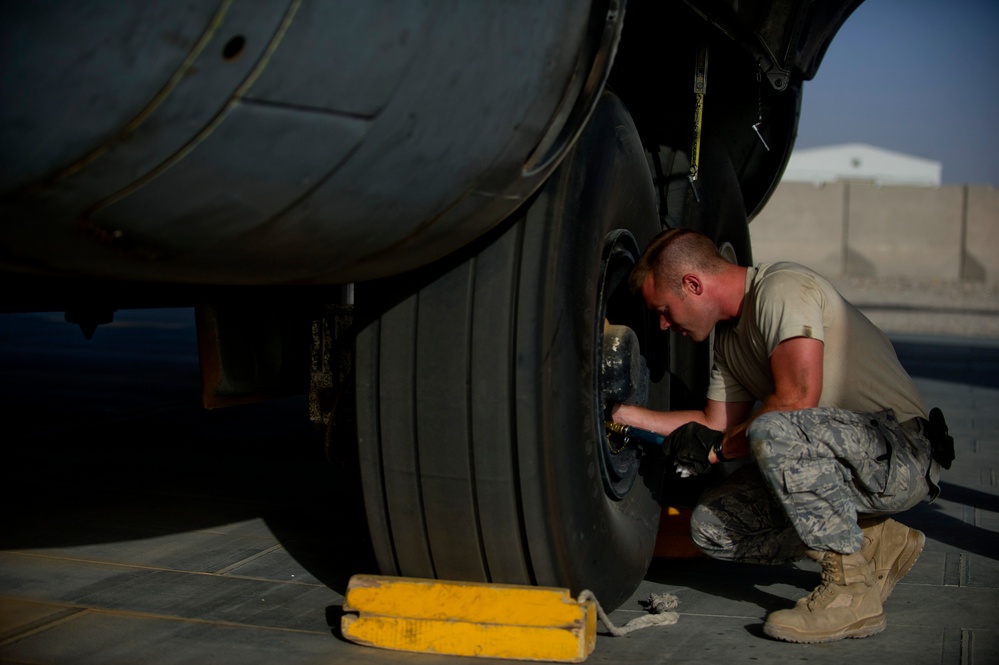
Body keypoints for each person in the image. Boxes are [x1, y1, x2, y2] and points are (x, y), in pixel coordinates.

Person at [612, 228, 953, 644]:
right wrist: (625, 415)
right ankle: (877, 541)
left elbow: (795, 401)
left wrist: (718, 449)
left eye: (664, 310)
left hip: (903, 454)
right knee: (712, 525)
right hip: (843, 460)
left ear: (693, 284)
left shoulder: (783, 289)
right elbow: (714, 425)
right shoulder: (729, 340)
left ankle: (850, 595)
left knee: (773, 428)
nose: (663, 325)